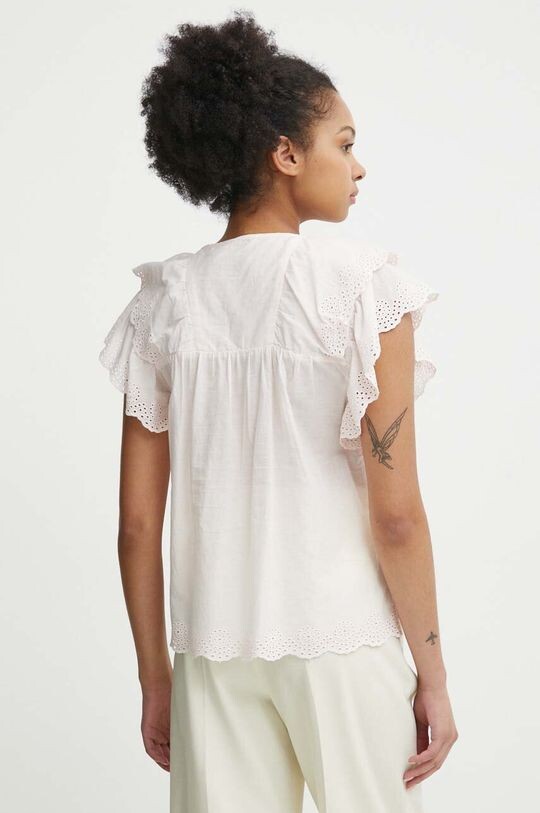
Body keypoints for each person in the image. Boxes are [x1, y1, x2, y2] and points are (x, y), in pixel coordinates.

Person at [98, 9, 458, 812]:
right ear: (286, 153)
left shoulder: (165, 302)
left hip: (214, 649)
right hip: (342, 637)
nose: (358, 167)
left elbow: (135, 525)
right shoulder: (364, 291)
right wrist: (432, 673)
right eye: (344, 143)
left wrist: (156, 678)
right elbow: (396, 515)